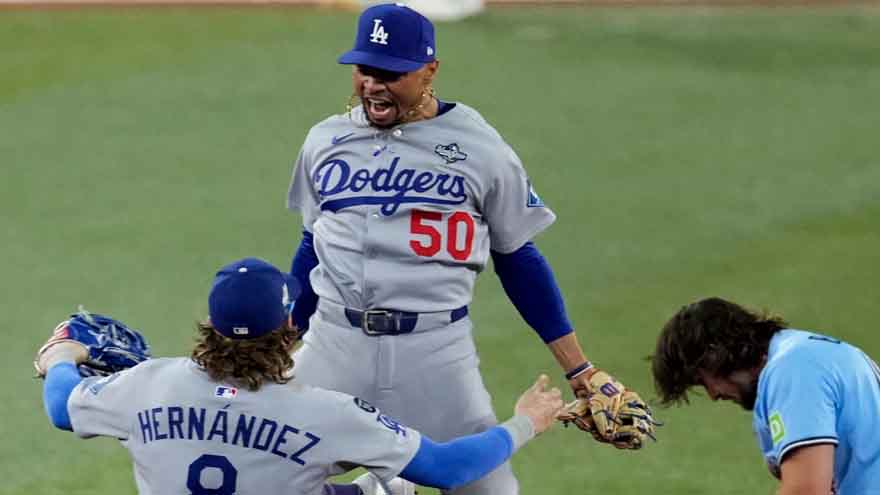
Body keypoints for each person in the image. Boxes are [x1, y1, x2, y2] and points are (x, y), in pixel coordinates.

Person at [286, 4, 655, 493]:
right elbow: (311, 251)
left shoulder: (479, 148)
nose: (374, 85)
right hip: (335, 344)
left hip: (436, 353)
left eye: (391, 73)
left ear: (429, 70)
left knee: (489, 490)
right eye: (365, 70)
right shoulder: (324, 140)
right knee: (267, 473)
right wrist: (270, 348)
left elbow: (519, 258)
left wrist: (579, 369)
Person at [35, 257, 564, 495]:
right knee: (397, 480)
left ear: (210, 324)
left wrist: (62, 353)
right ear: (290, 326)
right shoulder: (325, 413)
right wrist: (526, 423)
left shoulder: (146, 386)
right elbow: (449, 470)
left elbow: (62, 406)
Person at [651, 297, 880, 494]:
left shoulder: (792, 369)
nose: (712, 395)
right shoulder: (802, 352)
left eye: (703, 381)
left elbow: (807, 491)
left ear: (715, 355)